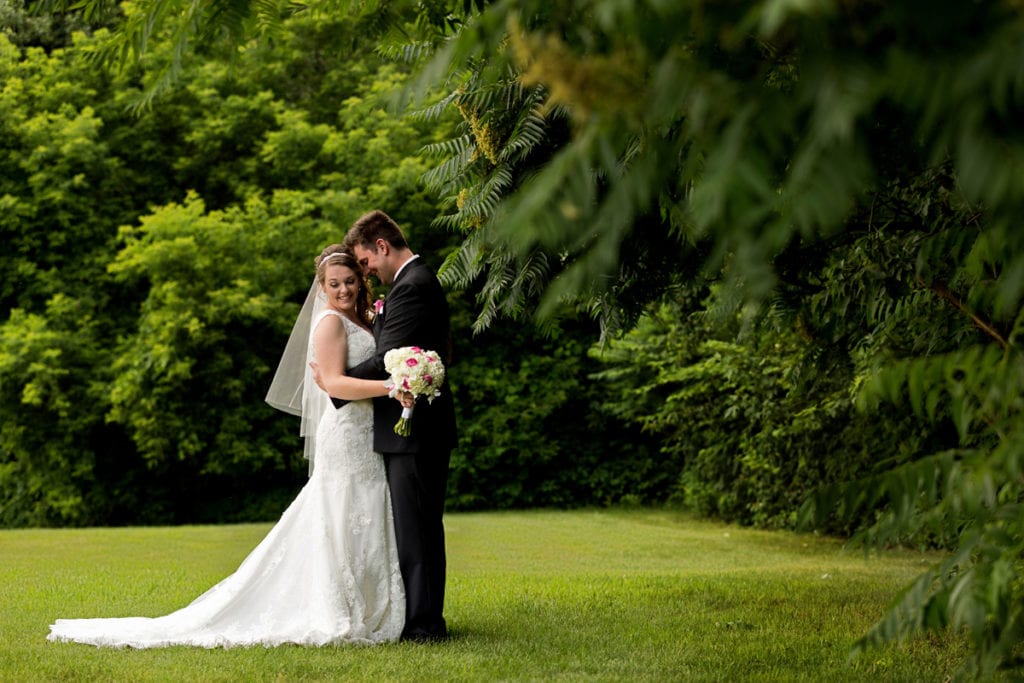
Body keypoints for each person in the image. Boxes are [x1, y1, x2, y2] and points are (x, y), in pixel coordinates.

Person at [47, 249, 406, 648]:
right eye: (334, 284)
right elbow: (335, 384)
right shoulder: (329, 324)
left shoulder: (364, 318)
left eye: (349, 281)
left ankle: (370, 601)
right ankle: (337, 606)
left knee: (364, 512)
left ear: (361, 279)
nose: (343, 289)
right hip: (346, 433)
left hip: (367, 432)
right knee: (341, 513)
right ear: (321, 287)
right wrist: (393, 387)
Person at [313, 210, 457, 643]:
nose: (363, 273)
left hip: (413, 431)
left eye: (364, 264)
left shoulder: (411, 287)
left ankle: (425, 626)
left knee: (417, 533)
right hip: (394, 430)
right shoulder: (412, 285)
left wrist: (336, 382)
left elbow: (389, 356)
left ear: (381, 246)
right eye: (340, 279)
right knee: (414, 532)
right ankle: (420, 619)